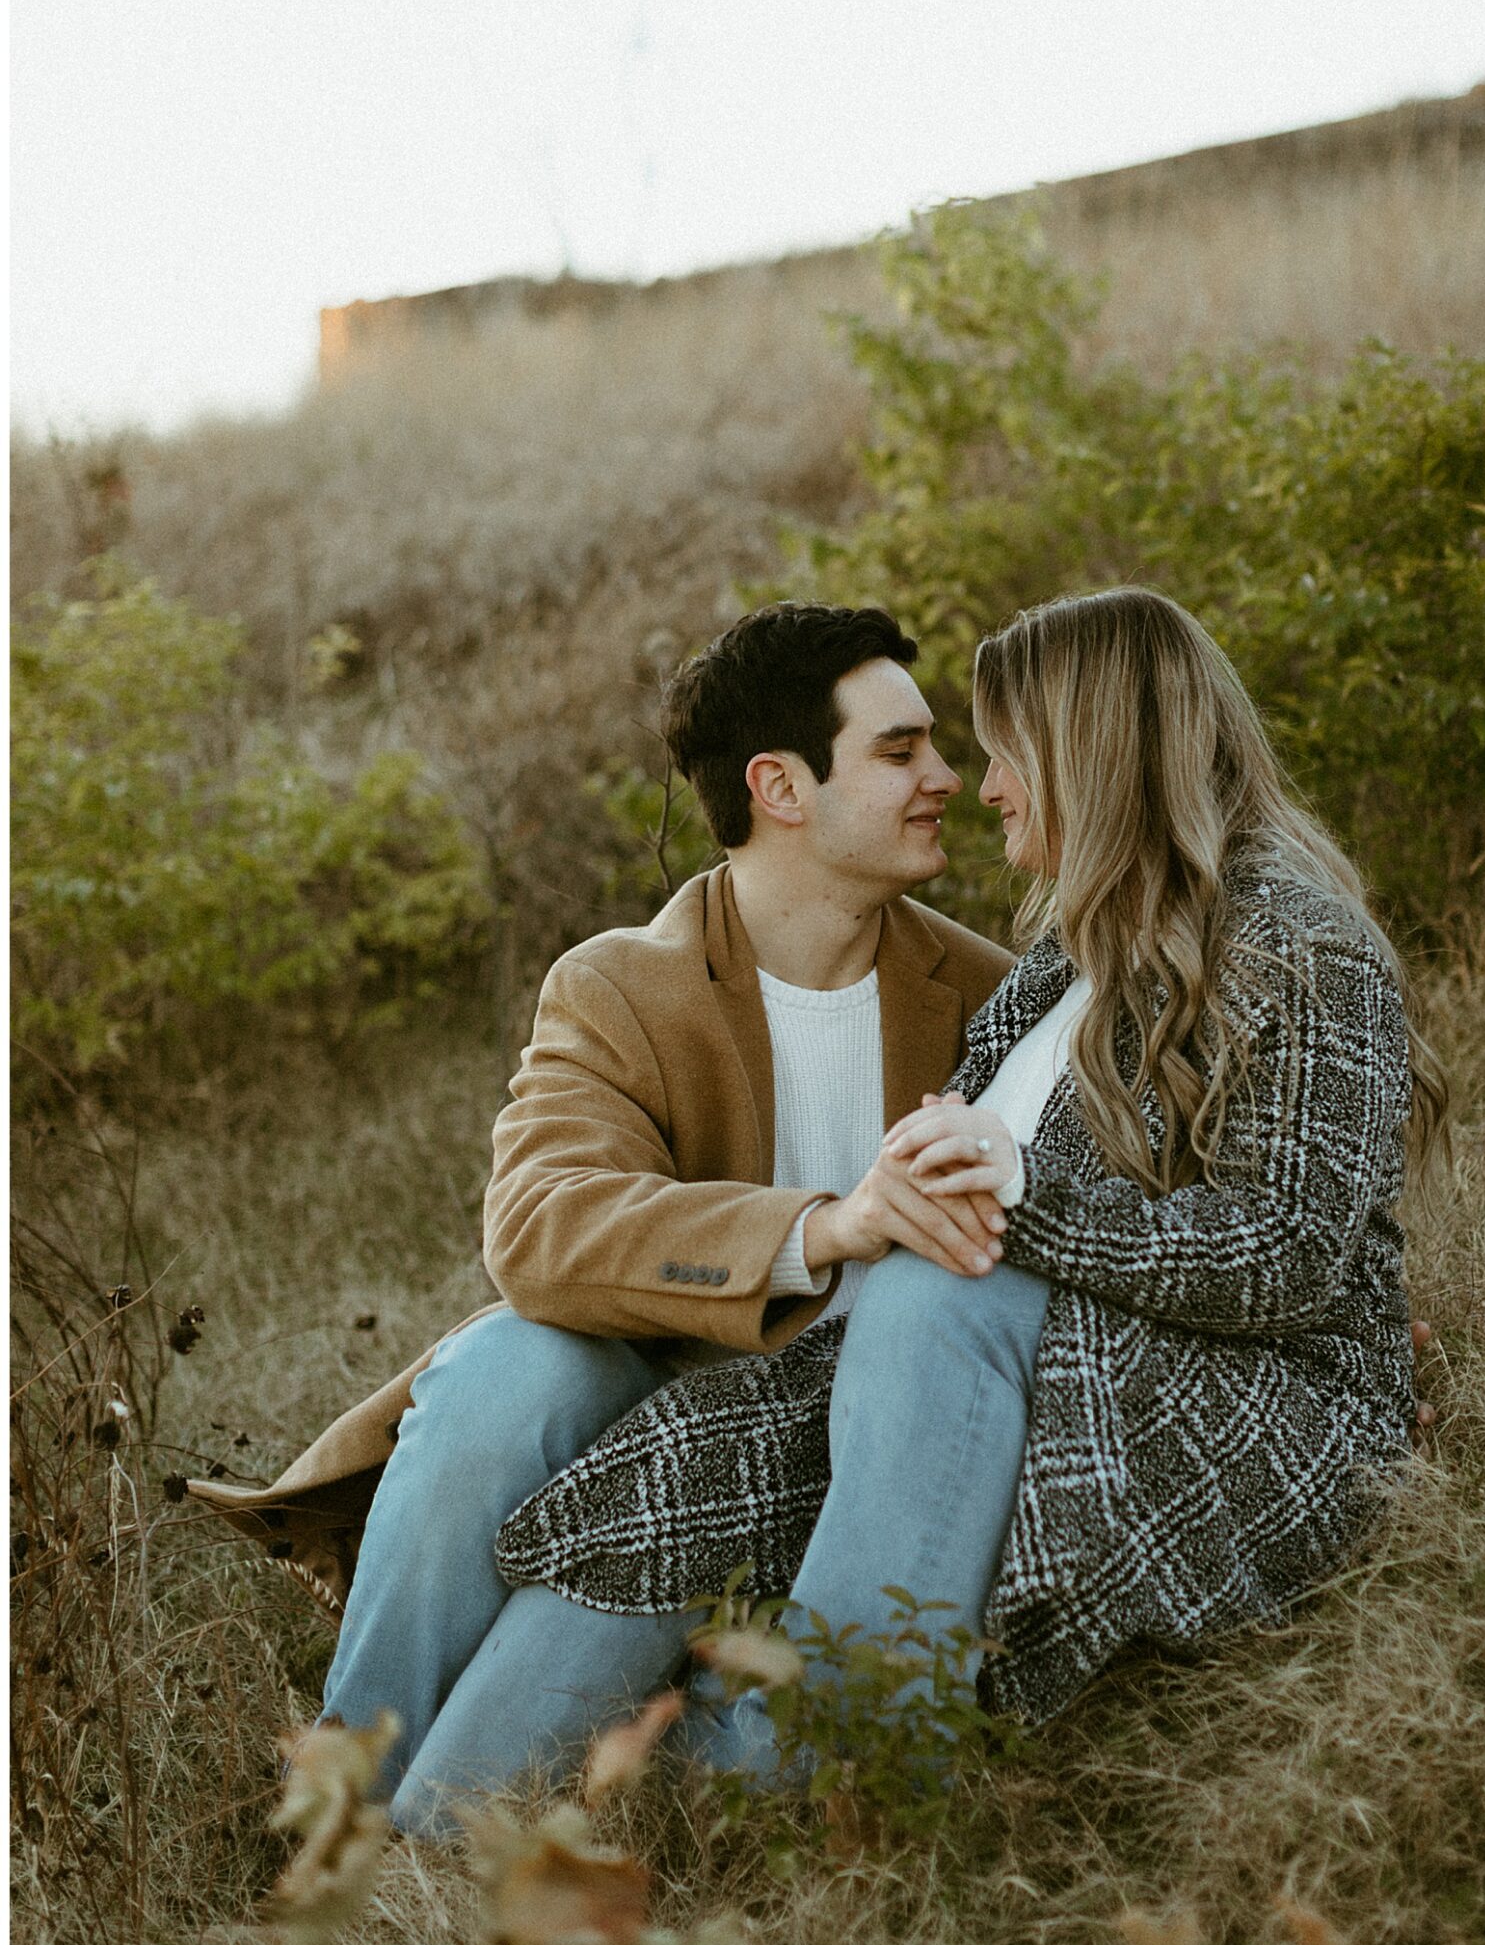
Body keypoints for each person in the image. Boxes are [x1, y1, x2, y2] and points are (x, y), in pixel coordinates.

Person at [498, 585, 1448, 1763]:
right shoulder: (1057, 968)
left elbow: (1289, 1254)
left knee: (914, 1306)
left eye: (1005, 755)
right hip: (971, 1363)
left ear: (1089, 756)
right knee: (676, 1475)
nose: (982, 784)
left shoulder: (1299, 944)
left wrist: (1012, 1195)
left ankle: (808, 1758)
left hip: (1194, 1400)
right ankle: (433, 1832)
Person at [186, 602, 1014, 1829]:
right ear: (780, 786)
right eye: (900, 751)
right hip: (651, 1403)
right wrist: (820, 1228)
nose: (947, 777)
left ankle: (429, 1838)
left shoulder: (984, 991)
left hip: (854, 1458)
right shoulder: (623, 983)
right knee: (499, 1375)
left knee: (561, 1415)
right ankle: (338, 1798)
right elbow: (539, 1223)